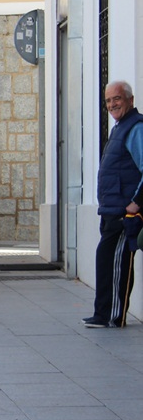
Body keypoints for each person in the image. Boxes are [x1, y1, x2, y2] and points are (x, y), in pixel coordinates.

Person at [84, 81, 143, 328]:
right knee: (106, 259)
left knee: (116, 262)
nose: (111, 105)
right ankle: (103, 312)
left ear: (129, 100)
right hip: (111, 209)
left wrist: (136, 203)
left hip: (123, 212)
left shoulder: (135, 128)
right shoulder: (120, 127)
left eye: (116, 99)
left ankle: (112, 315)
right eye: (108, 101)